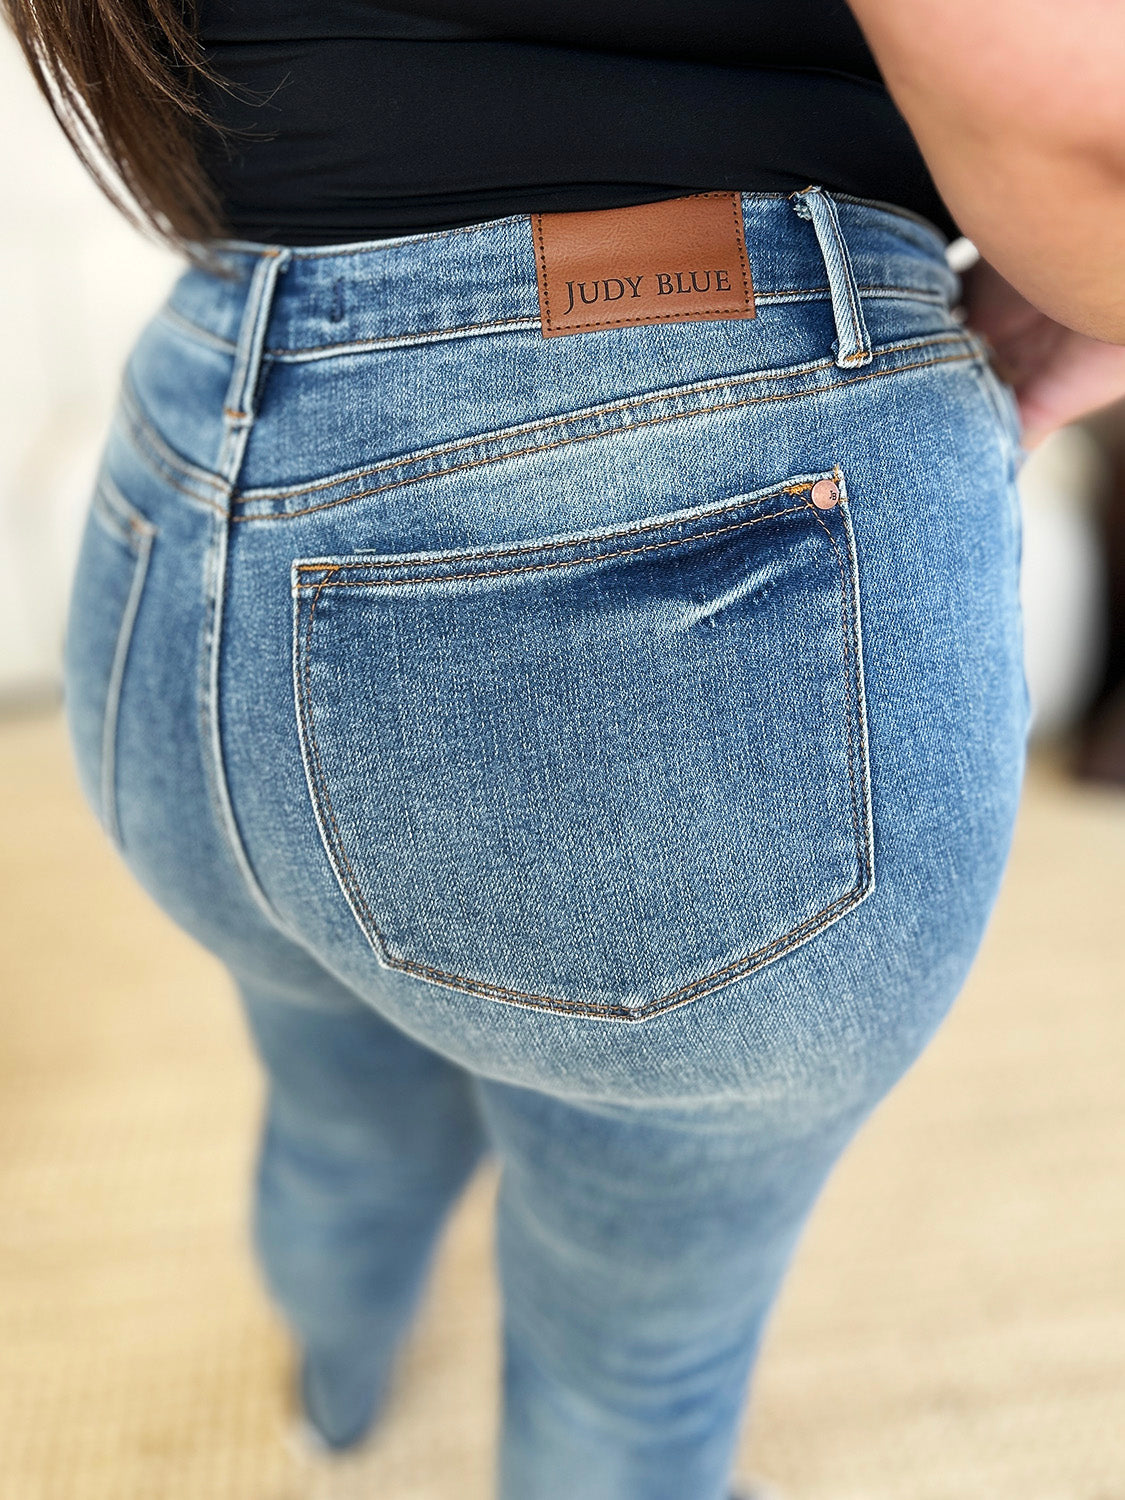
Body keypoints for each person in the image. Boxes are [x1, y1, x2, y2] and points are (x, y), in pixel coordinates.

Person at [6, 2, 1125, 1497]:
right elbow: (1081, 136)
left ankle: (330, 1397)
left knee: (334, 1092)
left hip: (189, 467)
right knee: (636, 1343)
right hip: (675, 465)